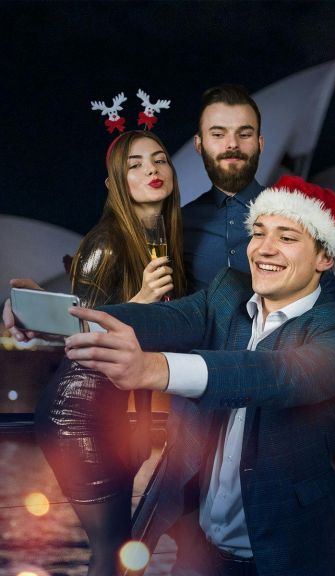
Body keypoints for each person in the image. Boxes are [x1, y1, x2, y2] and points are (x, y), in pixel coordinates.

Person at [8, 176, 335, 575]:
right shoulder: (227, 294)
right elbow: (160, 318)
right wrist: (55, 317)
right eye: (258, 233)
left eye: (287, 237)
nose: (264, 249)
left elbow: (278, 373)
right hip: (199, 555)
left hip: (285, 559)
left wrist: (154, 369)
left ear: (325, 258)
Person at [32, 130, 186, 575]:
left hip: (114, 415)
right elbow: (84, 333)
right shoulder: (107, 241)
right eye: (134, 165)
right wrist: (140, 302)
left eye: (159, 160)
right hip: (77, 414)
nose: (151, 171)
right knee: (112, 555)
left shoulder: (156, 239)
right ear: (115, 182)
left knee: (126, 555)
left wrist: (137, 420)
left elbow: (138, 355)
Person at [183, 83, 335, 299]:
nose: (232, 144)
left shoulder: (299, 214)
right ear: (199, 145)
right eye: (218, 134)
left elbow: (327, 296)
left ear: (260, 143)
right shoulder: (180, 223)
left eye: (244, 134)